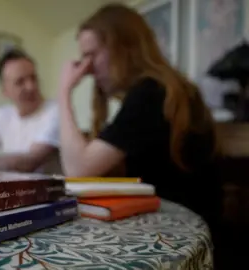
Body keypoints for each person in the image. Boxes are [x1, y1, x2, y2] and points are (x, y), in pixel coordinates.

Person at [57, 4, 222, 232]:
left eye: (91, 55)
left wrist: (63, 91)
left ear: (125, 48)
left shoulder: (151, 93)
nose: (87, 68)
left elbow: (78, 170)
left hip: (183, 233)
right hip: (184, 223)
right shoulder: (165, 89)